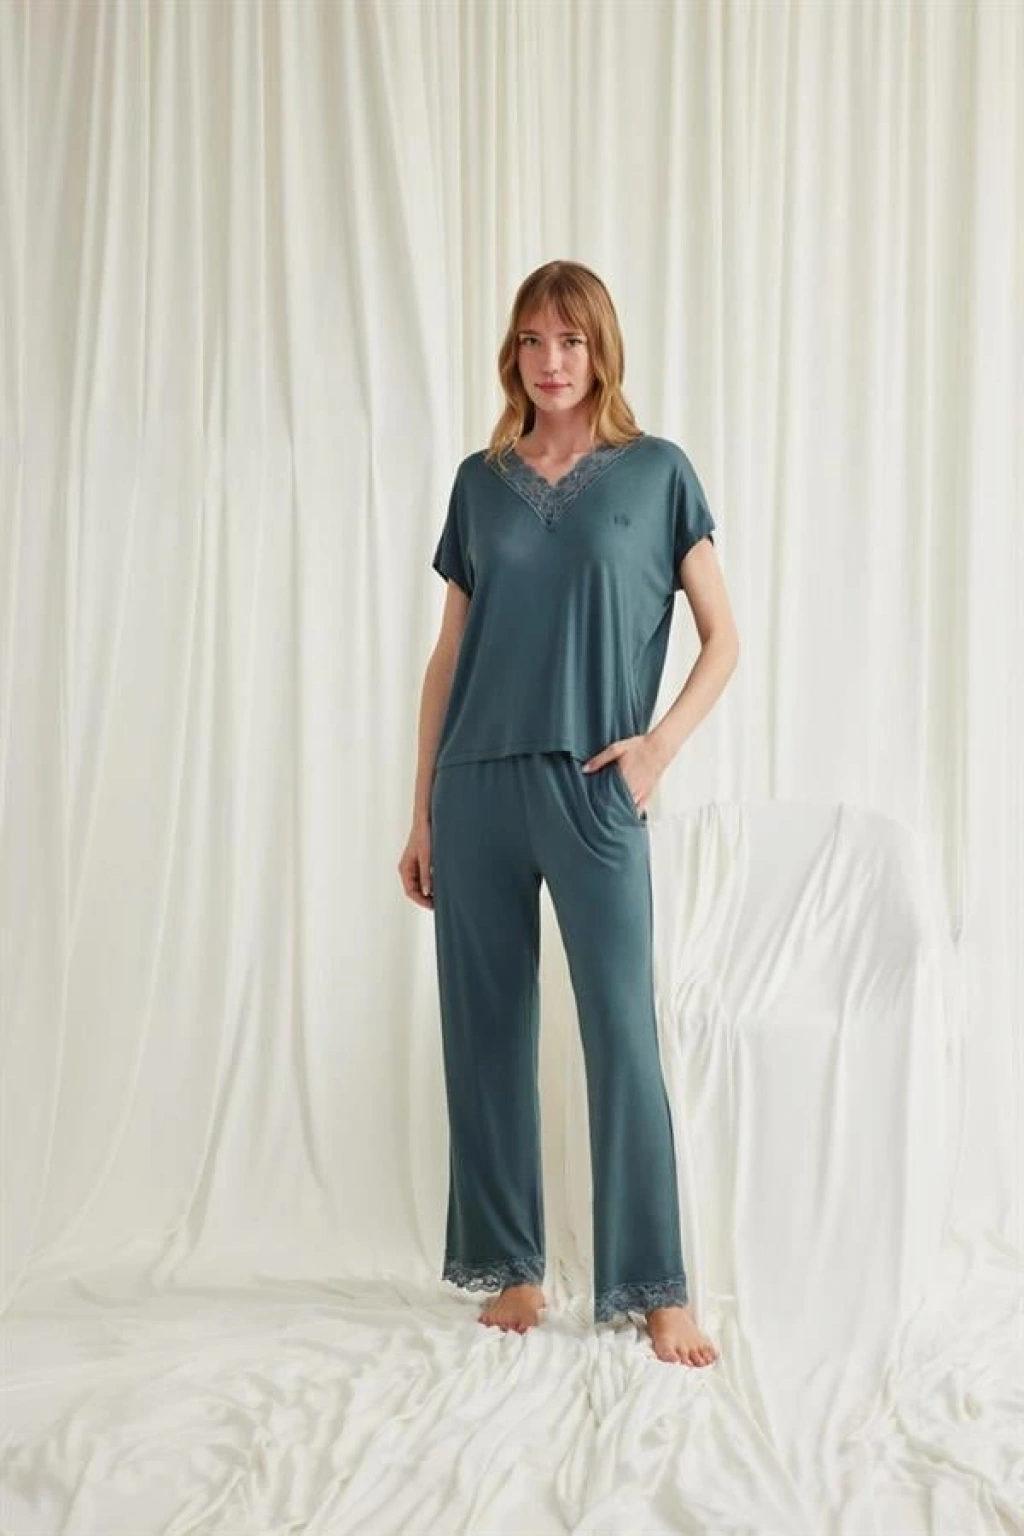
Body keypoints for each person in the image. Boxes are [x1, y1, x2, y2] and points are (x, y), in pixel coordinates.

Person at [398, 260, 738, 1367]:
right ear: (513, 354)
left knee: (621, 1031)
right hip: (476, 787)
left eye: (571, 341)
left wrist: (658, 749)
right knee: (486, 1031)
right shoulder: (480, 483)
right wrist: (421, 813)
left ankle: (656, 1286)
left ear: (602, 351)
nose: (551, 361)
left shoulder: (659, 472)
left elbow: (723, 637)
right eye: (533, 341)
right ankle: (513, 1268)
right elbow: (448, 655)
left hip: (596, 786)